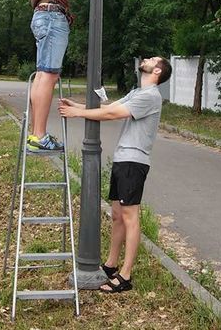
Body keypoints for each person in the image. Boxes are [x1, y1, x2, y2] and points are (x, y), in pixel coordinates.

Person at [58, 56, 172, 293]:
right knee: (117, 215)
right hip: (123, 159)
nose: (146, 59)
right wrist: (78, 107)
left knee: (130, 216)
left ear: (157, 70)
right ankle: (110, 265)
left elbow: (113, 115)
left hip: (134, 161)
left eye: (152, 59)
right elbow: (109, 108)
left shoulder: (150, 96)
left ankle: (125, 276)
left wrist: (77, 114)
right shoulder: (137, 92)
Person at [27, 0, 90, 153]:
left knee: (45, 75)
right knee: (48, 75)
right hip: (52, 16)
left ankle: (36, 134)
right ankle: (39, 136)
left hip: (51, 13)